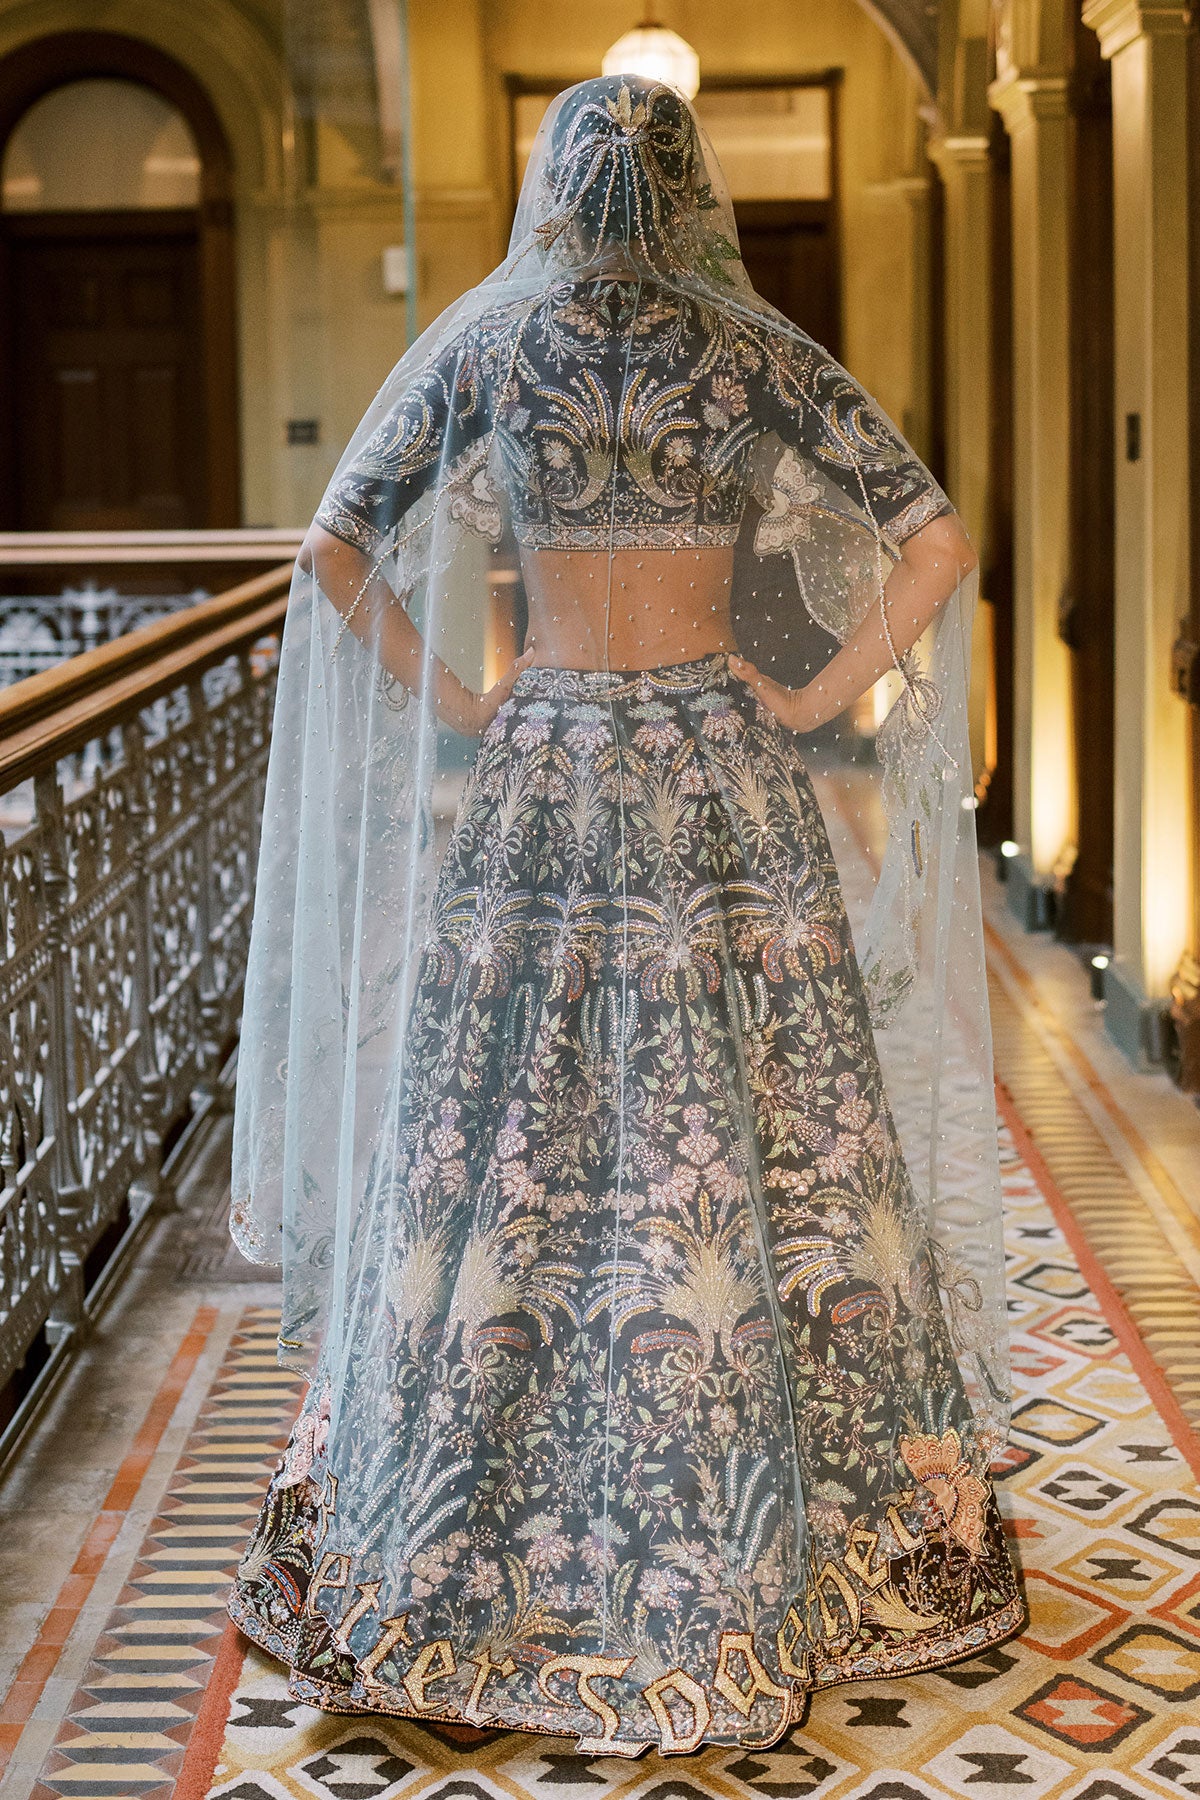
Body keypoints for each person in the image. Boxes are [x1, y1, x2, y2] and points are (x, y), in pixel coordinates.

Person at [227, 74, 1023, 1756]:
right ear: (691, 192)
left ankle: (471, 1533)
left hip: (545, 765)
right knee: (750, 1141)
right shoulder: (751, 349)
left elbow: (334, 545)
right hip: (721, 773)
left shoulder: (487, 344)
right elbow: (937, 540)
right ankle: (756, 1536)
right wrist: (810, 698)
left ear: (551, 186)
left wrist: (459, 690)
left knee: (514, 1136)